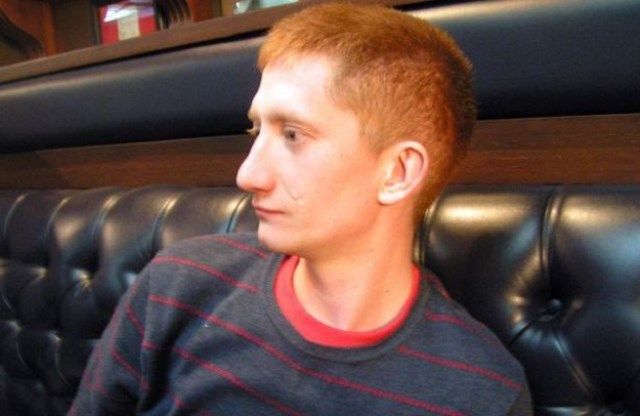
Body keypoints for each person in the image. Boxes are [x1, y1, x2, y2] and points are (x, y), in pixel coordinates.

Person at [70, 3, 531, 415]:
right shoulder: (176, 287)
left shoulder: (482, 395)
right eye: (257, 131)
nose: (248, 175)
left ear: (397, 173)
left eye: (293, 135)